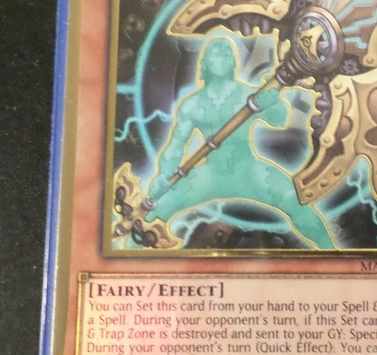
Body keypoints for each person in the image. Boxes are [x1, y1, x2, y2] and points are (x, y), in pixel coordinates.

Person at [144, 36, 336, 249]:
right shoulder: (192, 105)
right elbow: (176, 144)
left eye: (227, 53)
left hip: (250, 171)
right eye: (217, 52)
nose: (223, 56)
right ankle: (129, 247)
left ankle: (333, 253)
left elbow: (279, 120)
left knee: (294, 200)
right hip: (211, 175)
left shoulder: (248, 94)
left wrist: (272, 102)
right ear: (205, 63)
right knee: (158, 208)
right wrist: (164, 175)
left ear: (233, 62)